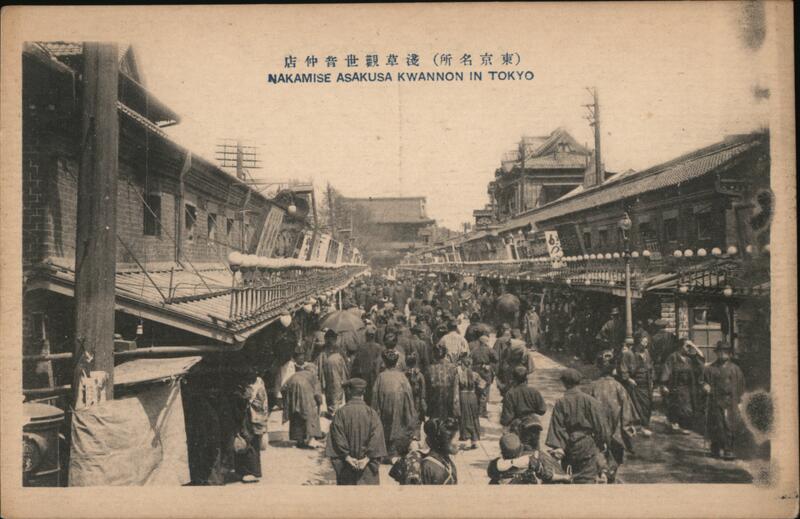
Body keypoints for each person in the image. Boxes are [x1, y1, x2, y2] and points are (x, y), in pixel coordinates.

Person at [546, 368, 613, 484]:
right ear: (579, 382)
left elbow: (557, 429)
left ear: (564, 383)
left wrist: (559, 448)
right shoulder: (590, 401)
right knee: (588, 479)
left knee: (570, 478)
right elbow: (601, 426)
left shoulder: (561, 403)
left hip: (569, 447)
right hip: (588, 445)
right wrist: (603, 443)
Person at [325, 378, 388, 485]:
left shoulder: (340, 414)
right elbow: (376, 438)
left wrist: (347, 457)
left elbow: (337, 439)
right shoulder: (372, 414)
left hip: (346, 469)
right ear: (363, 392)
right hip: (367, 470)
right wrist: (366, 459)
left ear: (348, 391)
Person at [587, 350, 636, 481]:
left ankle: (602, 473)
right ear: (614, 369)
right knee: (614, 463)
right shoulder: (619, 388)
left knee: (598, 458)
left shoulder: (592, 387)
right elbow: (626, 416)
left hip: (596, 432)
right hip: (616, 434)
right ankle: (610, 475)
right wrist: (628, 433)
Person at [701, 340, 745, 460]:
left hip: (730, 401)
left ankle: (728, 450)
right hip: (715, 400)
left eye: (725, 352)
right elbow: (703, 381)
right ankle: (715, 448)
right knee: (716, 424)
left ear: (729, 354)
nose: (722, 355)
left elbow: (741, 386)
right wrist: (705, 386)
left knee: (729, 425)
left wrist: (740, 401)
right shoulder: (710, 368)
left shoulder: (735, 369)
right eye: (720, 352)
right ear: (717, 353)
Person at [372, 349, 417, 459]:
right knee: (398, 425)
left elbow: (375, 396)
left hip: (385, 407)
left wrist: (374, 411)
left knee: (386, 426)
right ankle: (395, 450)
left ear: (385, 362)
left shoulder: (381, 377)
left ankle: (387, 450)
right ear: (396, 363)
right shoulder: (402, 377)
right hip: (399, 406)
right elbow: (409, 395)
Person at [487, 428, 570, 485]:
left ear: (502, 450)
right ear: (520, 449)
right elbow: (547, 475)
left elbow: (491, 474)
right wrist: (564, 477)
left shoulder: (495, 464)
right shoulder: (530, 460)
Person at [660, 339, 705, 434]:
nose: (689, 348)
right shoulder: (673, 357)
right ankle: (676, 425)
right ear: (680, 347)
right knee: (678, 408)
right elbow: (666, 370)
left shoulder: (689, 359)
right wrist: (664, 385)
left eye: (690, 347)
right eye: (687, 346)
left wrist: (694, 346)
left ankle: (680, 425)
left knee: (688, 409)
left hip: (688, 387)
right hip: (676, 387)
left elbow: (701, 359)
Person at [281, 350, 324, 449]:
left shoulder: (295, 375)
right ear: (313, 370)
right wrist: (319, 403)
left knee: (296, 416)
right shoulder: (313, 376)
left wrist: (288, 401)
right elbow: (317, 393)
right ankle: (310, 439)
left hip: (293, 394)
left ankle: (299, 440)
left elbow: (283, 388)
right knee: (310, 415)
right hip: (306, 398)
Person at [233, 366, 269, 483]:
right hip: (258, 417)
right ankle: (252, 471)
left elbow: (248, 398)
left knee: (249, 442)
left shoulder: (253, 385)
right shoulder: (259, 381)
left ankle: (249, 472)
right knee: (253, 443)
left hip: (252, 417)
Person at [619, 333, 656, 437]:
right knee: (636, 406)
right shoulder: (628, 354)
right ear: (637, 342)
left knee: (647, 405)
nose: (645, 344)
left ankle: (644, 425)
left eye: (646, 342)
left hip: (646, 384)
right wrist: (629, 379)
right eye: (643, 341)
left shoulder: (647, 353)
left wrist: (652, 379)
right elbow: (623, 370)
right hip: (635, 385)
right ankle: (640, 427)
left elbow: (651, 367)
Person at [500, 366, 547, 430]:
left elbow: (507, 417)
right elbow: (542, 410)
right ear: (526, 379)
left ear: (514, 379)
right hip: (534, 423)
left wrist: (503, 422)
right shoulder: (534, 391)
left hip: (518, 424)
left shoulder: (510, 394)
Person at [425, 344, 461, 422]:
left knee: (434, 426)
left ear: (434, 355)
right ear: (445, 354)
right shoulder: (453, 368)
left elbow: (427, 389)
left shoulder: (429, 369)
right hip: (448, 402)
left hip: (434, 402)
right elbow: (456, 388)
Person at [350, 325, 384, 406]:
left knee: (367, 395)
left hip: (364, 375)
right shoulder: (379, 347)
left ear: (366, 336)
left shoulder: (362, 347)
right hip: (375, 374)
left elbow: (356, 362)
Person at [319, 329, 349, 418]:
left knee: (334, 391)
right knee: (333, 391)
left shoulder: (335, 350)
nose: (330, 341)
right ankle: (333, 411)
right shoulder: (325, 350)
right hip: (331, 373)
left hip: (334, 373)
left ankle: (333, 411)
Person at [420, 418, 460, 485]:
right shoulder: (428, 466)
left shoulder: (447, 461)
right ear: (443, 441)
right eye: (455, 439)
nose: (458, 443)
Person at [456, 354, 483, 449]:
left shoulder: (459, 375)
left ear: (463, 364)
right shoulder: (475, 375)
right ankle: (474, 439)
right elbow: (482, 385)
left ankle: (466, 438)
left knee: (465, 418)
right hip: (472, 396)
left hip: (463, 396)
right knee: (474, 417)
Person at [470, 333, 498, 418]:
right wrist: (490, 366)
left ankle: (477, 410)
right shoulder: (490, 350)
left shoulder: (474, 350)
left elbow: (470, 360)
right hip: (486, 372)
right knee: (485, 392)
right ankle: (483, 411)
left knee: (477, 391)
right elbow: (496, 359)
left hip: (476, 372)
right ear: (486, 342)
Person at [404, 352, 427, 440]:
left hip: (409, 398)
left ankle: (411, 435)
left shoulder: (404, 374)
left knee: (409, 415)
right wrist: (423, 399)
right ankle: (416, 435)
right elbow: (423, 388)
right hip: (417, 398)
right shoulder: (419, 374)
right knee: (417, 416)